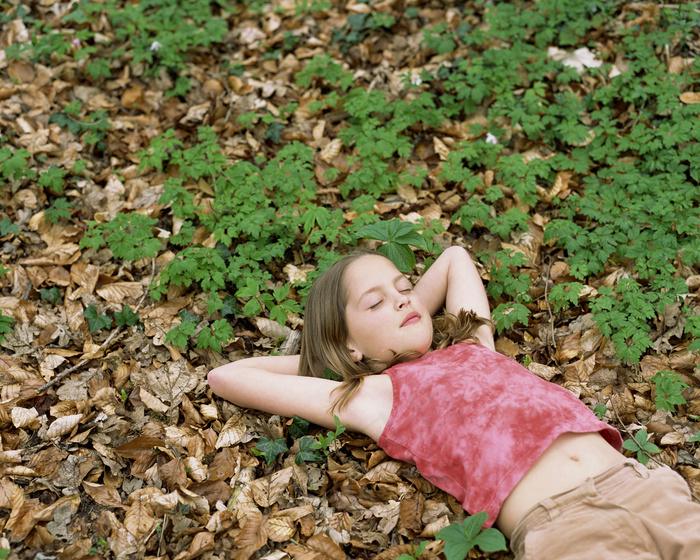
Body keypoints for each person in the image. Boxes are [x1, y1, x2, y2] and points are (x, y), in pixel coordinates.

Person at [208, 246, 700, 559]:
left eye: (404, 288)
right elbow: (226, 376)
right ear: (347, 345)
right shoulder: (372, 396)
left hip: (644, 488)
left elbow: (454, 258)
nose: (402, 299)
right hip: (566, 523)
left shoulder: (474, 344)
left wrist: (400, 310)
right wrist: (340, 360)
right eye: (376, 303)